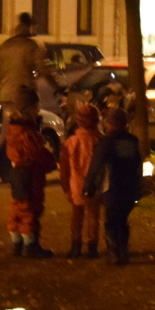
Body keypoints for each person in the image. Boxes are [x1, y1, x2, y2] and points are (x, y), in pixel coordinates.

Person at [83, 108, 142, 266]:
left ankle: (114, 252)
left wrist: (88, 185)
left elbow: (96, 165)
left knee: (111, 221)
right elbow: (138, 165)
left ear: (109, 123)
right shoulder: (132, 141)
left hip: (112, 187)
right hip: (130, 187)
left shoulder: (106, 143)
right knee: (122, 220)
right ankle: (123, 251)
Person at [5, 86, 57, 258]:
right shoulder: (27, 133)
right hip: (30, 174)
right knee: (30, 210)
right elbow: (37, 154)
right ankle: (31, 245)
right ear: (30, 109)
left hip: (17, 173)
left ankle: (17, 242)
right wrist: (51, 160)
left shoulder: (12, 129)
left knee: (17, 208)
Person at [58, 105, 104, 258]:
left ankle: (76, 245)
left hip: (76, 184)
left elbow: (64, 166)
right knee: (93, 216)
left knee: (77, 215)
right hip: (95, 185)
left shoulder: (71, 142)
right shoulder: (100, 140)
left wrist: (65, 184)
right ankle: (92, 246)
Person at [0, 13, 50, 130]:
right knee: (26, 127)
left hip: (6, 94)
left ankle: (4, 147)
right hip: (24, 94)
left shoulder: (6, 45)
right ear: (30, 26)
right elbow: (43, 68)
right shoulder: (33, 45)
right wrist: (56, 85)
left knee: (7, 127)